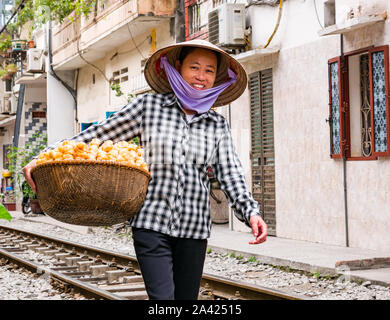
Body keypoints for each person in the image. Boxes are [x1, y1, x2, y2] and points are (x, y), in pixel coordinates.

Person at [23, 39, 268, 300]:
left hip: (194, 230)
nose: (201, 76)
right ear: (177, 68)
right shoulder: (148, 108)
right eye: (194, 67)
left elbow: (230, 172)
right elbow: (99, 134)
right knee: (162, 300)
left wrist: (250, 213)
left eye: (209, 70)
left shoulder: (217, 124)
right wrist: (46, 157)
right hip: (151, 223)